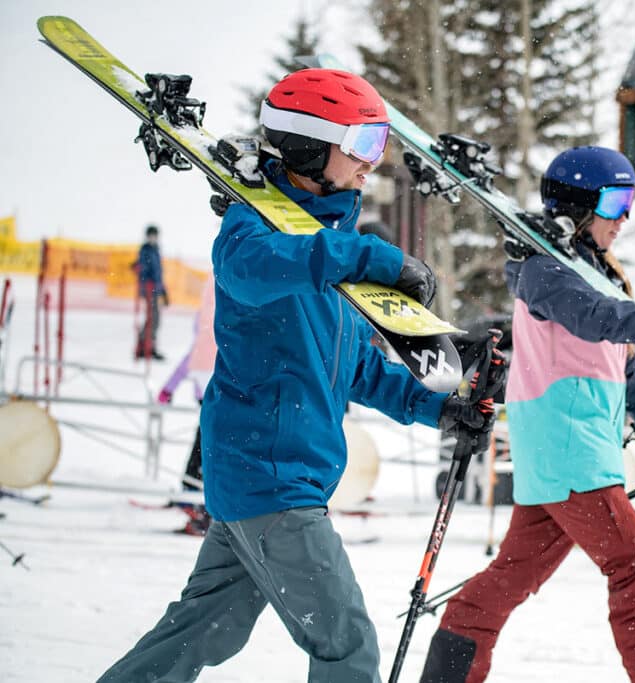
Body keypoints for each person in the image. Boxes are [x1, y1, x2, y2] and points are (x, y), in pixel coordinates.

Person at [97, 68, 501, 683]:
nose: (375, 162)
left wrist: (437, 410)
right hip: (271, 481)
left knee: (197, 634)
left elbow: (356, 366)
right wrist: (370, 256)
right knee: (348, 646)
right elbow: (247, 270)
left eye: (381, 145)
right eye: (363, 145)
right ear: (311, 148)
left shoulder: (328, 247)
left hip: (270, 481)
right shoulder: (257, 232)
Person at [418, 146, 635, 683]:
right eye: (614, 201)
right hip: (571, 454)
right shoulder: (541, 270)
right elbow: (594, 319)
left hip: (566, 458)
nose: (625, 216)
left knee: (509, 577)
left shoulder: (599, 275)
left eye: (630, 199)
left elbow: (626, 367)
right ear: (581, 206)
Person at [156, 274, 217, 535]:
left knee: (205, 441)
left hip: (209, 380)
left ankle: (191, 493)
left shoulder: (206, 313)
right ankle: (196, 500)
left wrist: (170, 386)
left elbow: (195, 351)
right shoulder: (222, 308)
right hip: (217, 379)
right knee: (209, 443)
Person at [134, 224, 167, 360]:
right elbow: (143, 270)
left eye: (155, 235)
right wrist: (145, 285)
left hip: (155, 290)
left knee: (154, 319)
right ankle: (145, 346)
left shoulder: (156, 250)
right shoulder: (145, 250)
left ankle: (148, 345)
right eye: (151, 235)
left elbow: (159, 273)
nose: (153, 238)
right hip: (149, 289)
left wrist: (163, 292)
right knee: (153, 318)